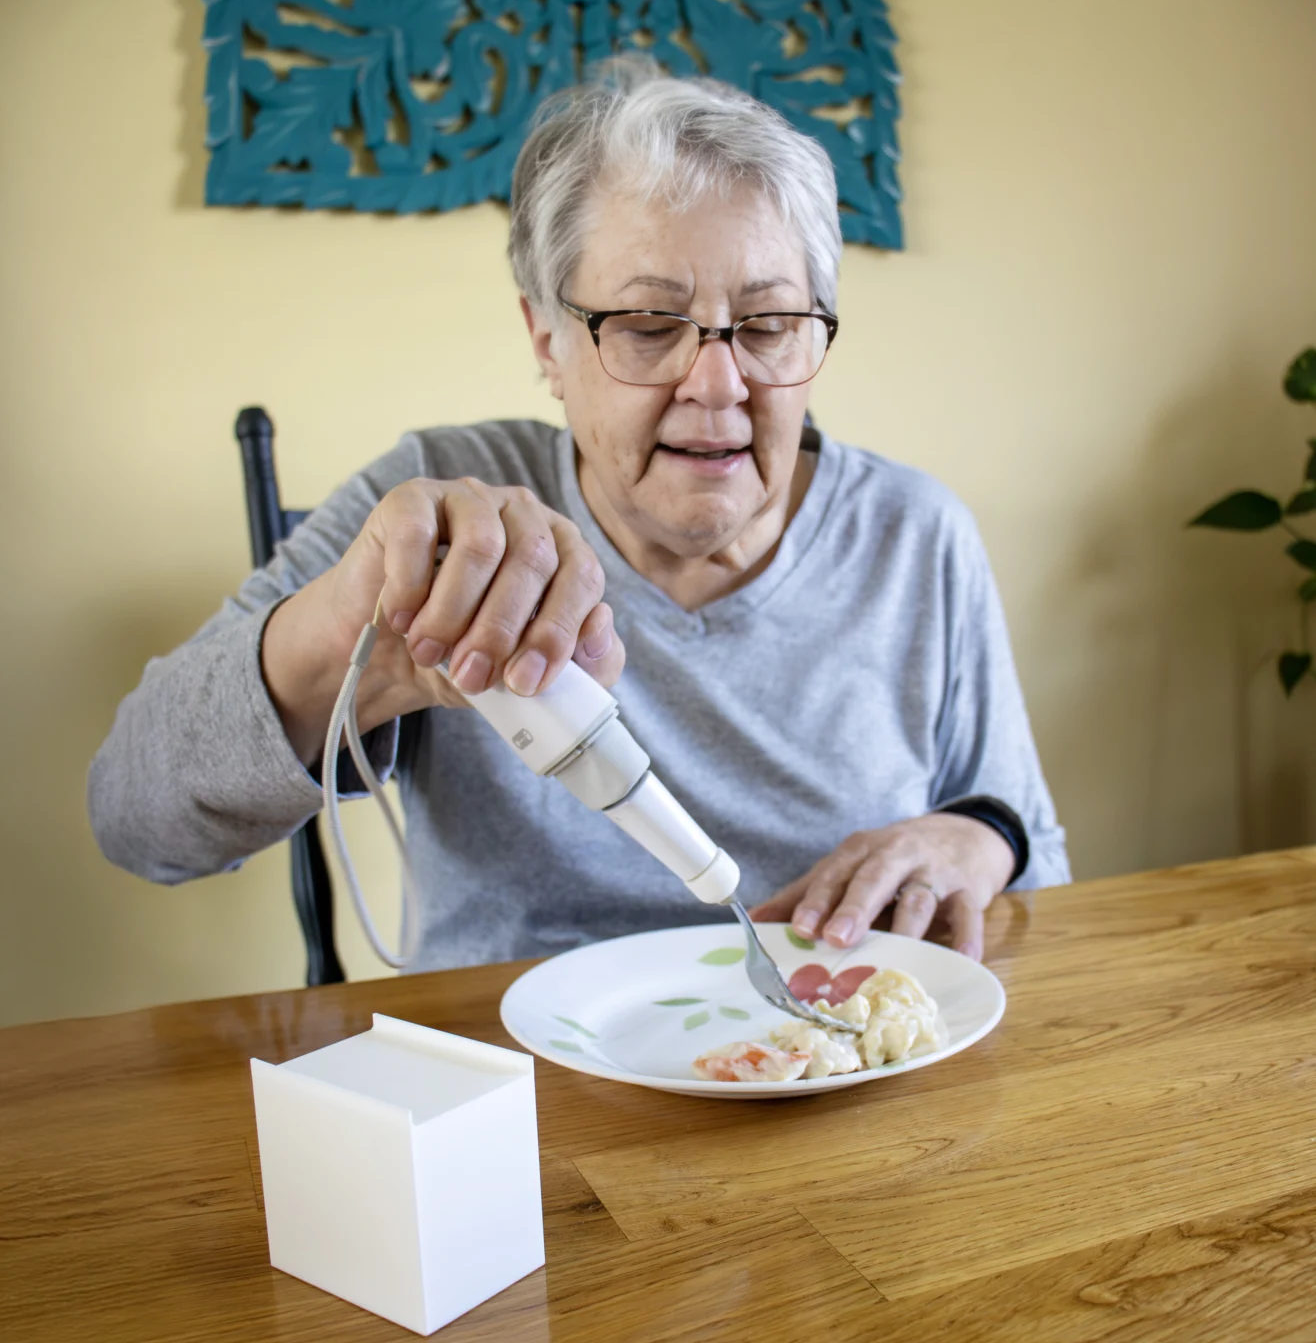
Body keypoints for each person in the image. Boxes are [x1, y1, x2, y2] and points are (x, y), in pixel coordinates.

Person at [89, 57, 1068, 970]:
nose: (717, 383)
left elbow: (1029, 853)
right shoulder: (443, 507)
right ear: (546, 340)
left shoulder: (912, 535)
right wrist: (351, 647)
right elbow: (133, 819)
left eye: (768, 327)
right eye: (648, 327)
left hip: (821, 1078)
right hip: (513, 1093)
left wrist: (977, 837)